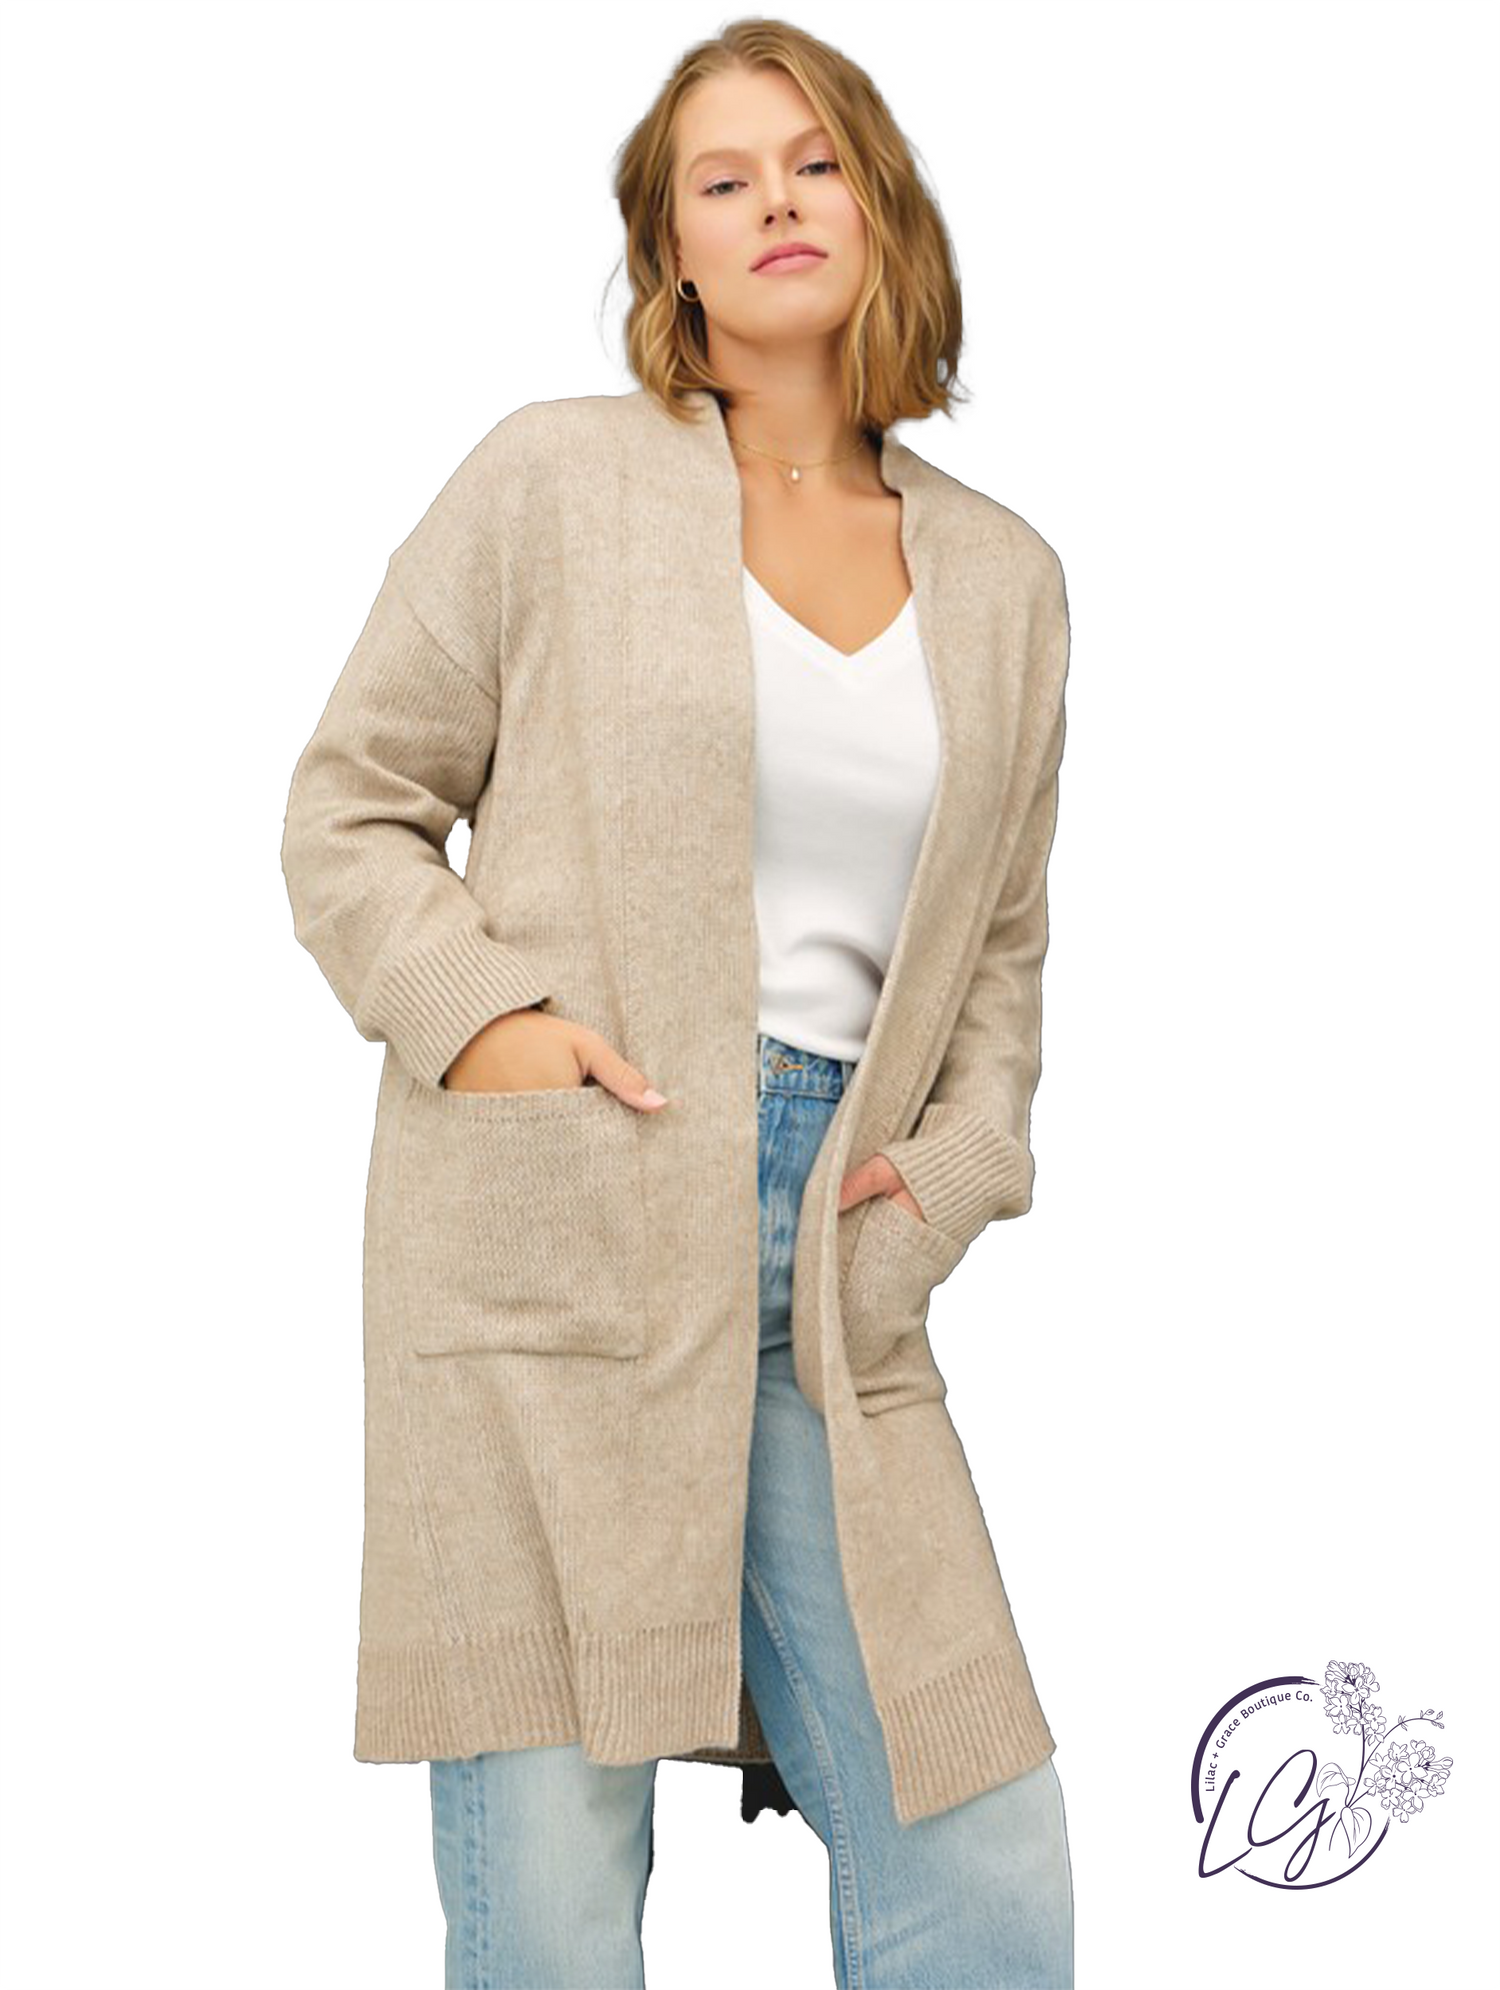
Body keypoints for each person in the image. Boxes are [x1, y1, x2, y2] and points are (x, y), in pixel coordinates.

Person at [282, 17, 1074, 1988]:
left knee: (981, 1855)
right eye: (724, 179)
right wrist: (488, 1024)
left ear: (879, 206)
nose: (776, 201)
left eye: (814, 161)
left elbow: (999, 952)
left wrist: (954, 1172)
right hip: (565, 1220)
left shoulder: (1005, 580)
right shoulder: (551, 481)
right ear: (673, 251)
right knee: (553, 1888)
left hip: (838, 1268)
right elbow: (349, 805)